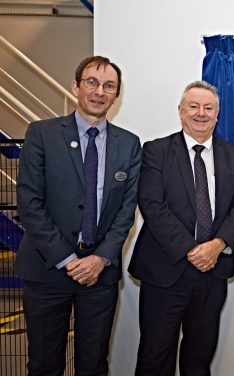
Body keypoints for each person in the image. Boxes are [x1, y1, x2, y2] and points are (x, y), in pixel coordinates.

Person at [15, 56, 141, 375]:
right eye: (92, 82)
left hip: (100, 275)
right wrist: (69, 260)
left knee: (94, 363)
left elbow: (126, 212)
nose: (100, 91)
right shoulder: (42, 134)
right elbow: (29, 202)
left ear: (117, 94)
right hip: (47, 270)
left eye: (109, 86)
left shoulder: (129, 144)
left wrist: (100, 259)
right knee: (44, 364)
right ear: (76, 86)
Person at [129, 80, 234, 376]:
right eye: (193, 107)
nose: (201, 113)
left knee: (199, 357)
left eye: (208, 108)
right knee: (155, 357)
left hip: (213, 273)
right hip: (165, 272)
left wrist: (217, 245)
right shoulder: (156, 151)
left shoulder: (233, 155)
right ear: (181, 112)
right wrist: (192, 250)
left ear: (217, 115)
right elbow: (152, 205)